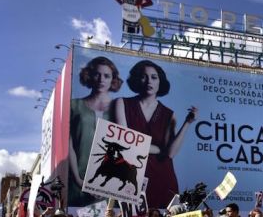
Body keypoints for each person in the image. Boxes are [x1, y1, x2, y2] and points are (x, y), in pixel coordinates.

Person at [115, 60, 197, 208]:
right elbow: (123, 143)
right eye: (144, 76)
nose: (149, 81)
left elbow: (170, 153)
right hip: (130, 175)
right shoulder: (121, 103)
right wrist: (158, 149)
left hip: (162, 177)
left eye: (154, 77)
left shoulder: (169, 114)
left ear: (160, 81)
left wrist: (187, 123)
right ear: (136, 79)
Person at [69, 56, 123, 206]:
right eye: (97, 74)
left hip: (109, 184)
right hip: (77, 180)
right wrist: (78, 180)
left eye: (107, 76)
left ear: (113, 79)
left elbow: (124, 147)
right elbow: (69, 144)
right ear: (89, 75)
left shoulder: (120, 108)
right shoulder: (74, 105)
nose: (101, 79)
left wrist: (109, 185)